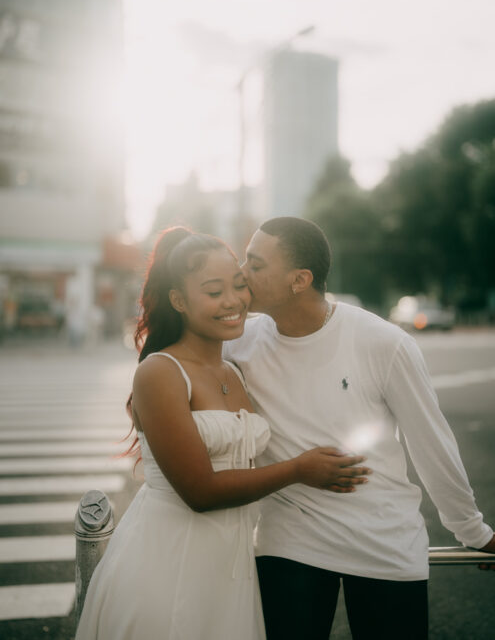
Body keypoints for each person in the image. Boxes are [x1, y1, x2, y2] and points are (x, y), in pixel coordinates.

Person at [75, 226, 371, 640]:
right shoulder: (160, 372)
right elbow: (200, 492)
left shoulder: (233, 369)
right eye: (214, 292)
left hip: (230, 564)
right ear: (178, 300)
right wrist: (300, 469)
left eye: (239, 285)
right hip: (170, 557)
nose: (233, 301)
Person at [224, 216, 495, 640]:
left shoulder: (384, 343)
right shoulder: (239, 341)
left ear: (300, 280)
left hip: (383, 540)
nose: (241, 273)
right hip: (289, 541)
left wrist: (473, 530)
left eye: (255, 264)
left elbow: (431, 443)